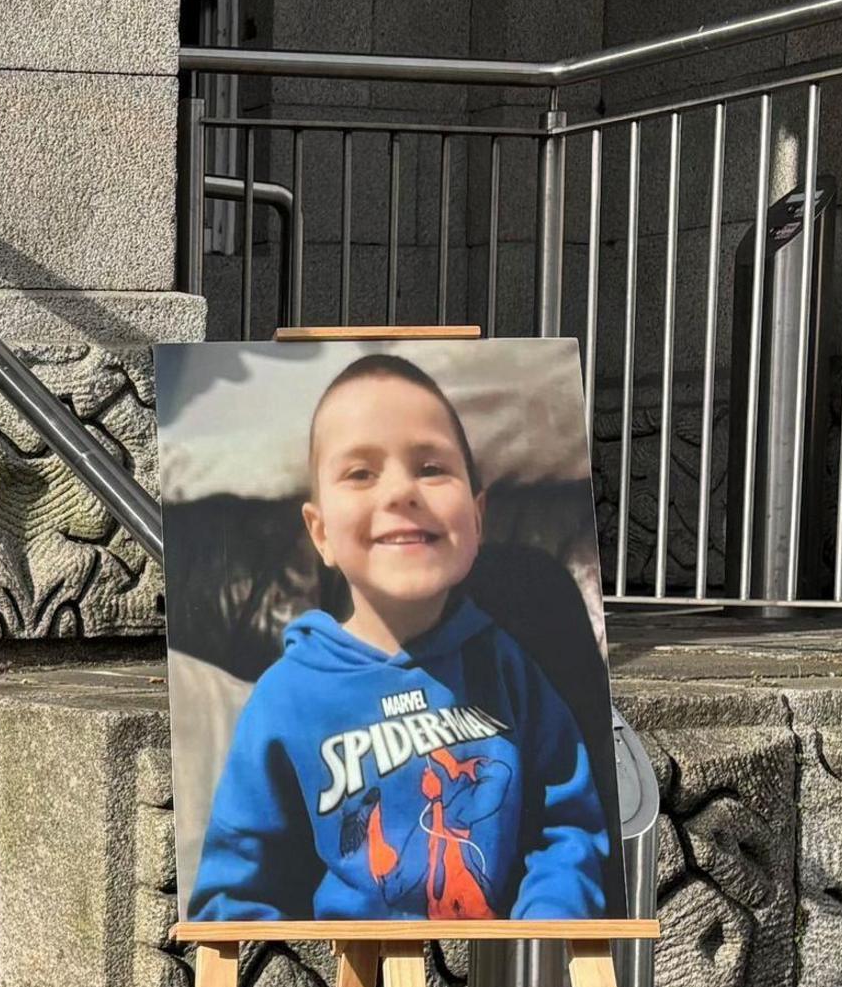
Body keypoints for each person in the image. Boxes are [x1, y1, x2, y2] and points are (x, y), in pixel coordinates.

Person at [188, 352, 609, 923]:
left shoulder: (508, 662)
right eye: (361, 473)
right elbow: (231, 899)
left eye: (431, 468)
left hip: (499, 983)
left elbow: (571, 826)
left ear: (478, 519)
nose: (400, 492)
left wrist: (546, 933)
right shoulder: (285, 698)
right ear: (321, 534)